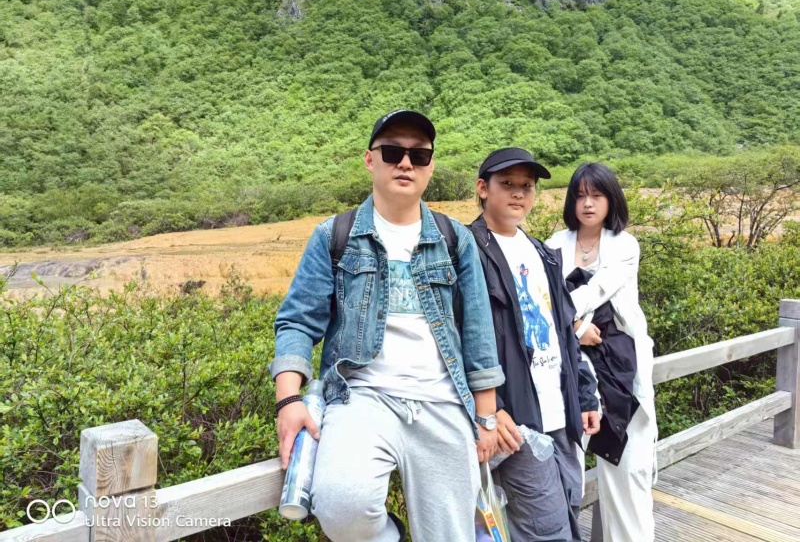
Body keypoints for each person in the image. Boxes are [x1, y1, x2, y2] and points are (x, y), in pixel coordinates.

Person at [269, 109, 504, 542]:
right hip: (362, 397)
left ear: (430, 166)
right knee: (342, 505)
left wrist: (486, 418)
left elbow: (478, 331)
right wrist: (288, 401)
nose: (406, 163)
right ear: (370, 159)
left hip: (442, 401)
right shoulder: (334, 236)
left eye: (419, 155)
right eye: (393, 152)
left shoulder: (455, 239)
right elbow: (297, 321)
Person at [468, 147, 601, 542]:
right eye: (507, 183)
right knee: (545, 530)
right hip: (517, 422)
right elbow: (458, 339)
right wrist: (491, 409)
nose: (518, 193)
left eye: (526, 186)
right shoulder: (468, 251)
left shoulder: (542, 252)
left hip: (561, 412)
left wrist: (585, 396)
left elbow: (563, 333)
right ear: (483, 188)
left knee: (569, 508)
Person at [547, 162, 658, 542]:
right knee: (565, 473)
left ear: (611, 199)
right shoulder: (554, 244)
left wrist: (564, 316)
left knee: (628, 473)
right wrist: (575, 329)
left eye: (596, 195)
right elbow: (540, 300)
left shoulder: (624, 245)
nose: (588, 204)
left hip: (620, 371)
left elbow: (598, 290)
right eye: (580, 196)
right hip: (571, 371)